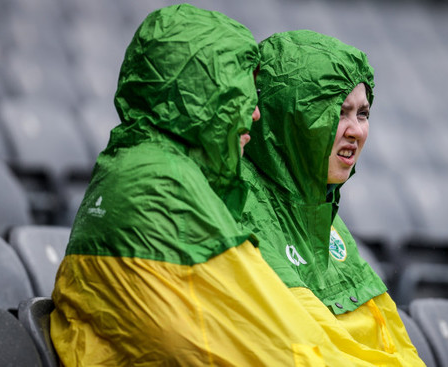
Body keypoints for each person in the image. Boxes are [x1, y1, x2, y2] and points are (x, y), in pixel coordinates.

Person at [50, 5, 369, 366]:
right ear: (203, 93)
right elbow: (254, 341)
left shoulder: (144, 169)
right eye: (241, 92)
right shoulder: (163, 181)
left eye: (363, 113)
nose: (256, 112)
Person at [241, 30, 426, 366]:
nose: (356, 130)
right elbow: (305, 347)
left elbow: (393, 343)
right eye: (339, 112)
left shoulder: (322, 213)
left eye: (363, 113)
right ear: (290, 117)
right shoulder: (243, 205)